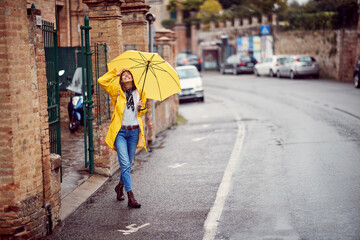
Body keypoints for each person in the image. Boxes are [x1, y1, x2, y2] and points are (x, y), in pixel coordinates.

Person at [97, 68, 147, 208]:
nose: (126, 76)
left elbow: (143, 112)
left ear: (132, 77)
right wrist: (114, 73)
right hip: (120, 132)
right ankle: (131, 196)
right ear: (121, 79)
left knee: (128, 164)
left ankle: (119, 187)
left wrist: (141, 107)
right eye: (124, 75)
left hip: (134, 132)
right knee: (125, 164)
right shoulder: (117, 91)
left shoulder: (140, 92)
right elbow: (101, 81)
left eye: (128, 74)